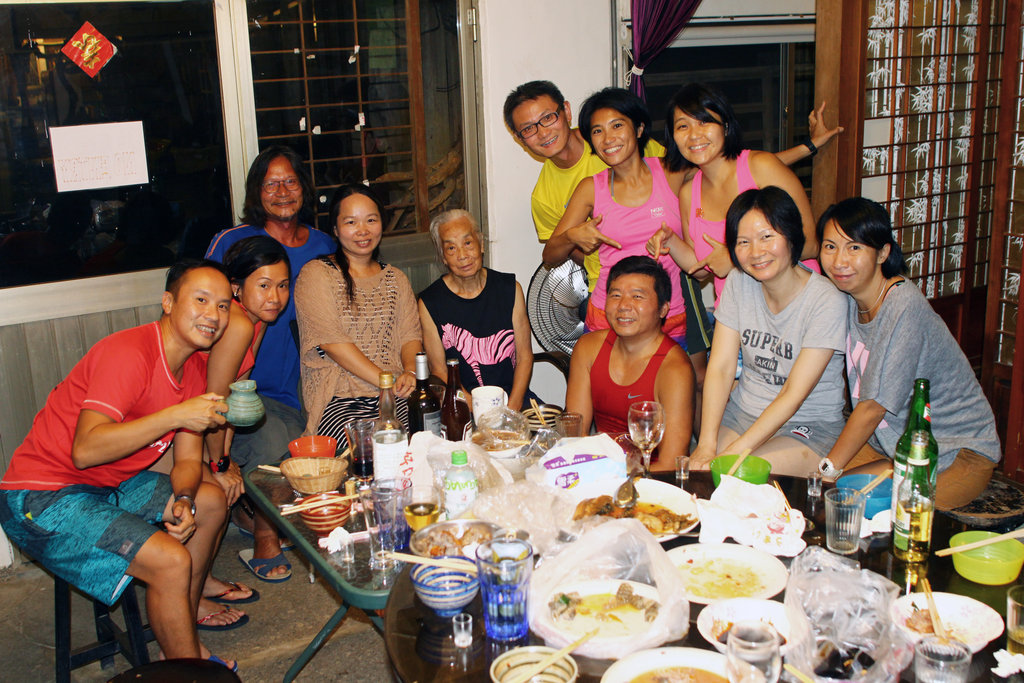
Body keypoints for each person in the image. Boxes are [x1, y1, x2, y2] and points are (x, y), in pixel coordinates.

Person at [0, 261, 238, 671]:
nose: (213, 315)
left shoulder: (195, 367)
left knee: (211, 501)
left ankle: (180, 633)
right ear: (168, 303)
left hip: (106, 486)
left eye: (223, 305)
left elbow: (186, 459)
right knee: (170, 560)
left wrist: (184, 499)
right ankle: (187, 670)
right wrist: (175, 414)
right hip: (41, 497)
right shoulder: (129, 353)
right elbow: (85, 450)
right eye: (200, 300)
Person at [817, 197, 1000, 508]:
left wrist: (827, 471)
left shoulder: (903, 305)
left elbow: (873, 407)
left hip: (954, 450)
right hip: (889, 445)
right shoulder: (845, 297)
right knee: (830, 497)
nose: (839, 261)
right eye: (830, 246)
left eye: (854, 247)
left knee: (900, 514)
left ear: (883, 253)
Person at [205, 146, 335, 494]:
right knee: (275, 451)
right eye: (270, 184)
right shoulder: (233, 243)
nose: (282, 192)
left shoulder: (324, 246)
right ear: (256, 192)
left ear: (304, 187)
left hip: (297, 389)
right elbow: (203, 314)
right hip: (241, 390)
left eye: (290, 182)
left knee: (314, 453)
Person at [692, 187, 847, 477]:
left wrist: (733, 453)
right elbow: (721, 367)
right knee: (702, 472)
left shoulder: (826, 300)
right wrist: (705, 444)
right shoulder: (739, 281)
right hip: (743, 414)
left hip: (807, 425)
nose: (756, 252)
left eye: (767, 237)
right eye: (743, 242)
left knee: (741, 475)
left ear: (791, 235)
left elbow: (793, 394)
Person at [649, 83, 836, 302]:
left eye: (704, 122)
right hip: (737, 311)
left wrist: (734, 258)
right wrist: (671, 242)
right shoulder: (689, 193)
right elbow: (701, 269)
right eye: (682, 126)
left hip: (794, 302)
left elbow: (811, 244)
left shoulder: (761, 167)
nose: (694, 135)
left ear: (726, 127)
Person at [294, 184, 423, 441]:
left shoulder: (396, 279)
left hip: (396, 394)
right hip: (339, 399)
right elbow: (333, 344)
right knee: (370, 448)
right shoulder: (316, 274)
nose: (363, 230)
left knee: (426, 437)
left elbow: (410, 336)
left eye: (371, 220)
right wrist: (386, 380)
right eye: (351, 222)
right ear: (335, 228)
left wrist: (410, 372)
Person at [207, 236, 293, 583]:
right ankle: (264, 535)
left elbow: (239, 392)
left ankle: (250, 513)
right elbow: (214, 403)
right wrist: (220, 464)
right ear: (236, 287)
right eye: (264, 285)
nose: (275, 297)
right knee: (273, 441)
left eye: (283, 285)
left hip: (217, 413)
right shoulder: (238, 323)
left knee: (294, 429)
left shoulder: (257, 319)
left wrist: (226, 451)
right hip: (187, 420)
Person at [565, 256, 695, 472]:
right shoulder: (588, 348)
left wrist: (613, 475)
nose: (623, 306)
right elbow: (576, 435)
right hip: (596, 469)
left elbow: (670, 464)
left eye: (637, 296)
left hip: (650, 478)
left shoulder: (674, 369)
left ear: (663, 309)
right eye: (615, 295)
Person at [418, 210, 535, 411]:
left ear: (481, 243)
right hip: (464, 405)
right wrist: (478, 409)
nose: (463, 255)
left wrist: (512, 407)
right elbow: (440, 371)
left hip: (514, 400)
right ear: (443, 256)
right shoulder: (430, 302)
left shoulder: (510, 289)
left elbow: (524, 356)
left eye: (468, 243)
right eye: (451, 248)